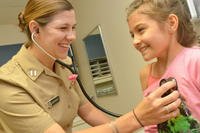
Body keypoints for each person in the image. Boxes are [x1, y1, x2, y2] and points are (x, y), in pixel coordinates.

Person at [0, 0, 181, 133]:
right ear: (36, 30)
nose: (72, 37)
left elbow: (86, 109)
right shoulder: (8, 84)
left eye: (73, 27)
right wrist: (135, 118)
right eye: (63, 28)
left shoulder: (64, 65)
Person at [126, 0, 200, 132]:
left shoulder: (195, 60)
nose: (135, 41)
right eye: (132, 35)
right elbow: (152, 125)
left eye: (141, 30)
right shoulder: (146, 74)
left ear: (171, 23)